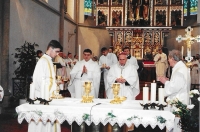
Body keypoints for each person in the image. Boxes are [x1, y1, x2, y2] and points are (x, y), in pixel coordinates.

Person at [31, 40, 63, 132]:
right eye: (56, 51)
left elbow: (49, 79)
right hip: (43, 97)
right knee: (42, 126)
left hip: (48, 97)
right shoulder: (43, 61)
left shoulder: (48, 60)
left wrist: (56, 82)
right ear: (50, 49)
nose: (57, 54)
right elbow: (39, 80)